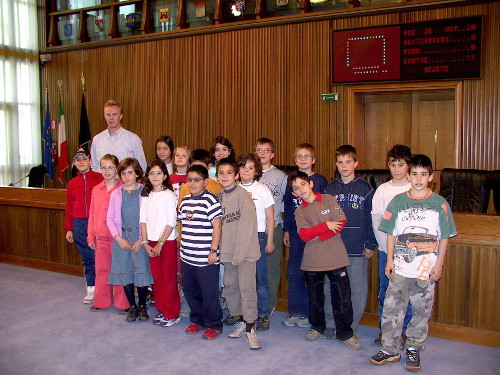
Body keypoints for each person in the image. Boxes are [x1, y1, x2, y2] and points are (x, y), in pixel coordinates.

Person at [369, 154, 456, 372]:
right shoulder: (398, 201)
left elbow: (444, 236)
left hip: (425, 270)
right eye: (414, 174)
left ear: (430, 177)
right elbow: (391, 233)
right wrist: (389, 260)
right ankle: (390, 348)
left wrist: (439, 265)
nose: (418, 179)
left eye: (423, 174)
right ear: (409, 176)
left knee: (420, 310)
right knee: (391, 307)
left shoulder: (439, 204)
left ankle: (414, 347)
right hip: (399, 267)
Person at [291, 171, 362, 350]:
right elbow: (304, 235)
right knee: (315, 297)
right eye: (296, 188)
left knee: (342, 297)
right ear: (294, 194)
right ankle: (317, 326)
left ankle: (345, 332)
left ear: (311, 184)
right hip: (312, 260)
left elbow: (340, 222)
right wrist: (325, 226)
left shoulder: (328, 199)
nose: (301, 189)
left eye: (303, 184)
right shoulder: (299, 211)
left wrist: (319, 234)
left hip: (335, 256)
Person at [324, 145, 377, 336]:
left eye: (348, 161)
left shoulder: (365, 188)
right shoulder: (329, 189)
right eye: (340, 162)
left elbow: (371, 219)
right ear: (336, 165)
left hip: (357, 248)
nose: (344, 165)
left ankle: (350, 326)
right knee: (331, 288)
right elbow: (324, 219)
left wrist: (370, 244)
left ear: (356, 163)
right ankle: (331, 324)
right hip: (333, 248)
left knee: (356, 289)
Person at [217, 158, 262, 350]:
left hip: (245, 254)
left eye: (229, 173)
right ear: (217, 176)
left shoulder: (243, 196)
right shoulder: (218, 197)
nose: (225, 176)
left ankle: (252, 329)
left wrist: (239, 255)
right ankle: (243, 321)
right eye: (221, 173)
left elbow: (247, 227)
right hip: (227, 254)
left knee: (247, 290)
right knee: (231, 288)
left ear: (236, 175)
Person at [283, 143, 327, 327]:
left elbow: (324, 207)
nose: (302, 159)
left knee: (313, 274)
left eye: (306, 156)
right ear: (295, 160)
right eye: (299, 156)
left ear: (313, 160)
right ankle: (296, 310)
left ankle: (310, 312)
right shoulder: (290, 180)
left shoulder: (321, 181)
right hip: (295, 233)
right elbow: (286, 206)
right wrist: (286, 229)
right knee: (294, 272)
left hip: (314, 234)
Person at [372, 145, 413, 344]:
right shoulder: (382, 190)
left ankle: (403, 331)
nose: (397, 169)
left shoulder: (415, 188)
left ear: (408, 166)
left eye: (401, 165)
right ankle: (385, 329)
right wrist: (387, 249)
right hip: (385, 251)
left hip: (409, 253)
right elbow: (377, 221)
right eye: (393, 165)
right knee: (386, 291)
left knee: (407, 292)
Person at [178, 165, 223, 339]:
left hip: (206, 257)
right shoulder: (185, 200)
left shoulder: (210, 200)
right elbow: (183, 224)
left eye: (197, 180)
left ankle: (214, 324)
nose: (192, 183)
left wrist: (213, 250)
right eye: (189, 180)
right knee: (191, 290)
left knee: (209, 293)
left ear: (205, 181)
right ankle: (197, 319)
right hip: (187, 256)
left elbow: (217, 225)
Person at [107, 158, 153, 322]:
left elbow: (149, 217)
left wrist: (142, 239)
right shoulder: (116, 193)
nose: (126, 176)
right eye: (123, 173)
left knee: (140, 273)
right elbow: (110, 218)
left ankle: (142, 306)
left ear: (137, 173)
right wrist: (117, 238)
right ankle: (132, 306)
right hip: (122, 238)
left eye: (130, 173)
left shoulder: (145, 192)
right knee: (126, 273)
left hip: (140, 238)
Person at [140, 160, 180, 327]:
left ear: (165, 176)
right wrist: (145, 242)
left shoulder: (169, 195)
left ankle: (172, 313)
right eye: (151, 173)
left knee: (169, 278)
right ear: (147, 176)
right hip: (151, 241)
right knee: (157, 279)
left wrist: (160, 244)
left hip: (166, 242)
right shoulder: (146, 195)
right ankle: (162, 309)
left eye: (158, 173)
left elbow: (171, 222)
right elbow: (142, 220)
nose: (155, 176)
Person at [87, 154, 129, 312]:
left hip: (119, 237)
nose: (107, 170)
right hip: (101, 235)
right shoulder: (96, 189)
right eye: (103, 167)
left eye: (110, 167)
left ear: (116, 169)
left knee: (119, 269)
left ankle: (122, 303)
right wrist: (90, 235)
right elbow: (92, 214)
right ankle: (101, 301)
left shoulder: (123, 188)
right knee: (102, 270)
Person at [237, 153, 275, 331]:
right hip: (238, 238)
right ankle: (245, 313)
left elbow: (270, 218)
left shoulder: (263, 190)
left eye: (251, 167)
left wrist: (269, 241)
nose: (247, 170)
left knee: (260, 278)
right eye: (243, 166)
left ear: (256, 171)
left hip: (258, 237)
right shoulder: (233, 189)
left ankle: (263, 314)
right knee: (243, 279)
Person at [65, 148, 103, 303]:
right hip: (79, 223)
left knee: (100, 257)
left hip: (97, 222)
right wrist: (69, 228)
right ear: (74, 163)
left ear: (90, 160)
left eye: (84, 158)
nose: (81, 161)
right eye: (77, 159)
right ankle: (91, 288)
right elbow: (69, 207)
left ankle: (104, 289)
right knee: (88, 258)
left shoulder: (100, 178)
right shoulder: (72, 184)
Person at [255, 138, 287, 317]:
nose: (262, 153)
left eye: (266, 150)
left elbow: (285, 202)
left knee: (271, 269)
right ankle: (256, 305)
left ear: (272, 155)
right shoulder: (249, 173)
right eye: (259, 150)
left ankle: (270, 305)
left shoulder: (280, 176)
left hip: (273, 228)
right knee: (254, 271)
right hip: (253, 230)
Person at [90, 100, 147, 172]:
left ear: (120, 116)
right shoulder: (97, 139)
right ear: (104, 116)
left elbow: (141, 168)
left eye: (114, 114)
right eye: (108, 114)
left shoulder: (133, 139)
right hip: (103, 182)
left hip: (126, 182)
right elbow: (94, 167)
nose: (111, 118)